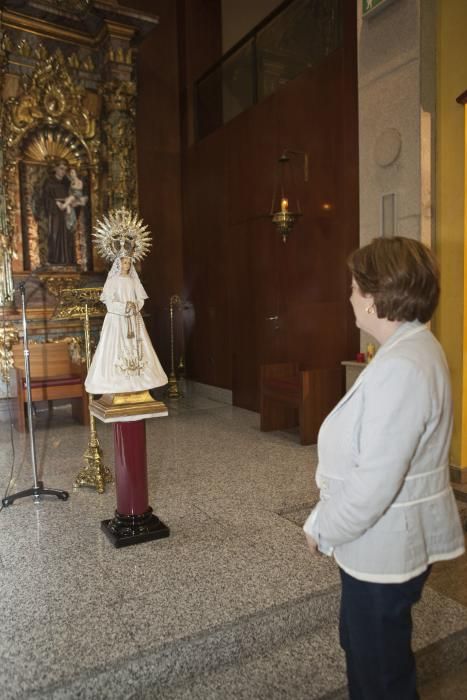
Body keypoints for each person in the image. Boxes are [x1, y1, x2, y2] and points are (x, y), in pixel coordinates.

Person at [303, 236, 465, 700]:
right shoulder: (409, 350)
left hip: (384, 546)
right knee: (366, 654)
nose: (350, 296)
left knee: (380, 681)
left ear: (374, 299)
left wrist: (321, 526)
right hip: (384, 544)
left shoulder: (405, 366)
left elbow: (375, 483)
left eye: (355, 287)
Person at [85, 256, 168, 395]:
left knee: (138, 347)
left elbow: (140, 299)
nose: (127, 265)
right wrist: (124, 306)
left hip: (133, 319)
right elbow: (109, 303)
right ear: (118, 263)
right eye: (124, 262)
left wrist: (135, 305)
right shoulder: (112, 281)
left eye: (129, 262)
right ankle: (116, 383)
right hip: (117, 320)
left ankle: (138, 381)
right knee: (115, 348)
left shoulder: (133, 281)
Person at [43, 160, 75, 265]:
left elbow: (74, 196)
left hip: (66, 212)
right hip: (54, 213)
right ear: (55, 168)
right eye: (61, 168)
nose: (63, 171)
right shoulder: (49, 182)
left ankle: (67, 259)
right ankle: (55, 260)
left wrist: (68, 204)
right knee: (55, 234)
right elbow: (45, 198)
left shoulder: (67, 183)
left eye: (65, 170)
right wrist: (56, 203)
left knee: (67, 235)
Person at [57, 167, 88, 232]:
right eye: (71, 173)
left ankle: (63, 206)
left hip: (77, 196)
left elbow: (78, 189)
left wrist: (73, 186)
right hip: (72, 196)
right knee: (68, 204)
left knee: (70, 198)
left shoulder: (79, 181)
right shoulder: (71, 182)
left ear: (76, 173)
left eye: (73, 172)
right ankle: (70, 221)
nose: (72, 174)